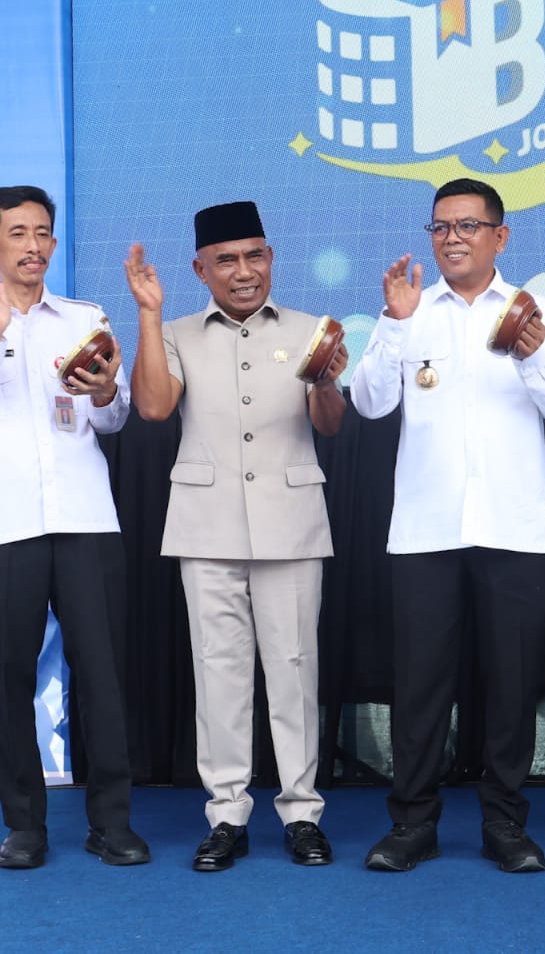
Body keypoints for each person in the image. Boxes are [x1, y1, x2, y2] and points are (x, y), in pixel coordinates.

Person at [351, 177, 545, 873]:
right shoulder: (409, 310)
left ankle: (505, 824)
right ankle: (412, 824)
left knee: (511, 685)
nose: (452, 238)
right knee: (421, 685)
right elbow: (368, 403)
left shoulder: (535, 311)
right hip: (426, 531)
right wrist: (393, 323)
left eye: (468, 226)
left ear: (499, 236)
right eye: (440, 227)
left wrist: (533, 354)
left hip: (514, 529)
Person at [0, 186, 147, 870]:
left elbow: (113, 418)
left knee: (103, 675)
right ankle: (24, 825)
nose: (33, 246)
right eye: (17, 233)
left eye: (43, 232)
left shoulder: (84, 318)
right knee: (11, 677)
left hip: (86, 519)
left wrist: (107, 392)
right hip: (6, 526)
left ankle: (112, 822)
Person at [125, 200, 347, 870]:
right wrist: (149, 313)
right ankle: (226, 814)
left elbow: (331, 423)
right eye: (226, 260)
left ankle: (302, 812)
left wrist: (326, 380)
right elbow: (153, 406)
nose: (243, 271)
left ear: (271, 258)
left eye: (254, 256)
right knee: (218, 673)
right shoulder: (177, 332)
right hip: (207, 524)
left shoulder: (311, 330)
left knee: (295, 669)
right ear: (201, 270)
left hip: (291, 522)